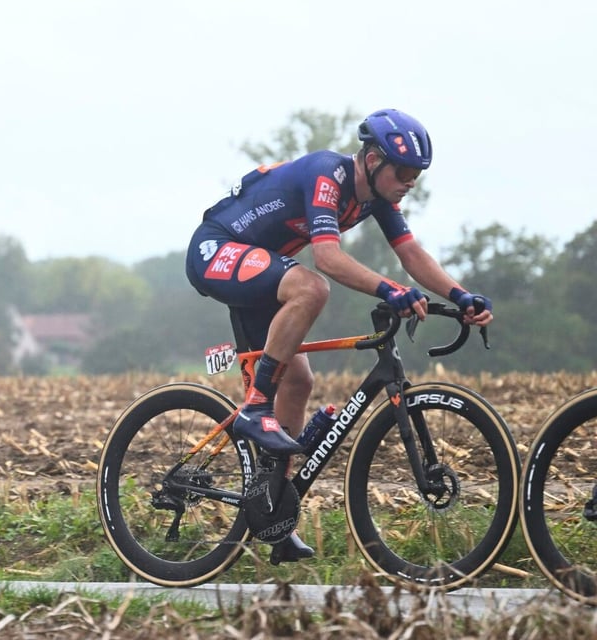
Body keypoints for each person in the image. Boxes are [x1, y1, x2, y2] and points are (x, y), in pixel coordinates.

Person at [184, 109, 494, 563]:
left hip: (262, 263)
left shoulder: (379, 200)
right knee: (312, 286)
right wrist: (389, 289)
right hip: (217, 248)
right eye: (404, 171)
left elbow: (411, 253)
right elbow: (327, 258)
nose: (410, 181)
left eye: (417, 175)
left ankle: (273, 514)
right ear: (371, 159)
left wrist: (461, 295)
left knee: (299, 383)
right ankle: (253, 408)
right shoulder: (327, 174)